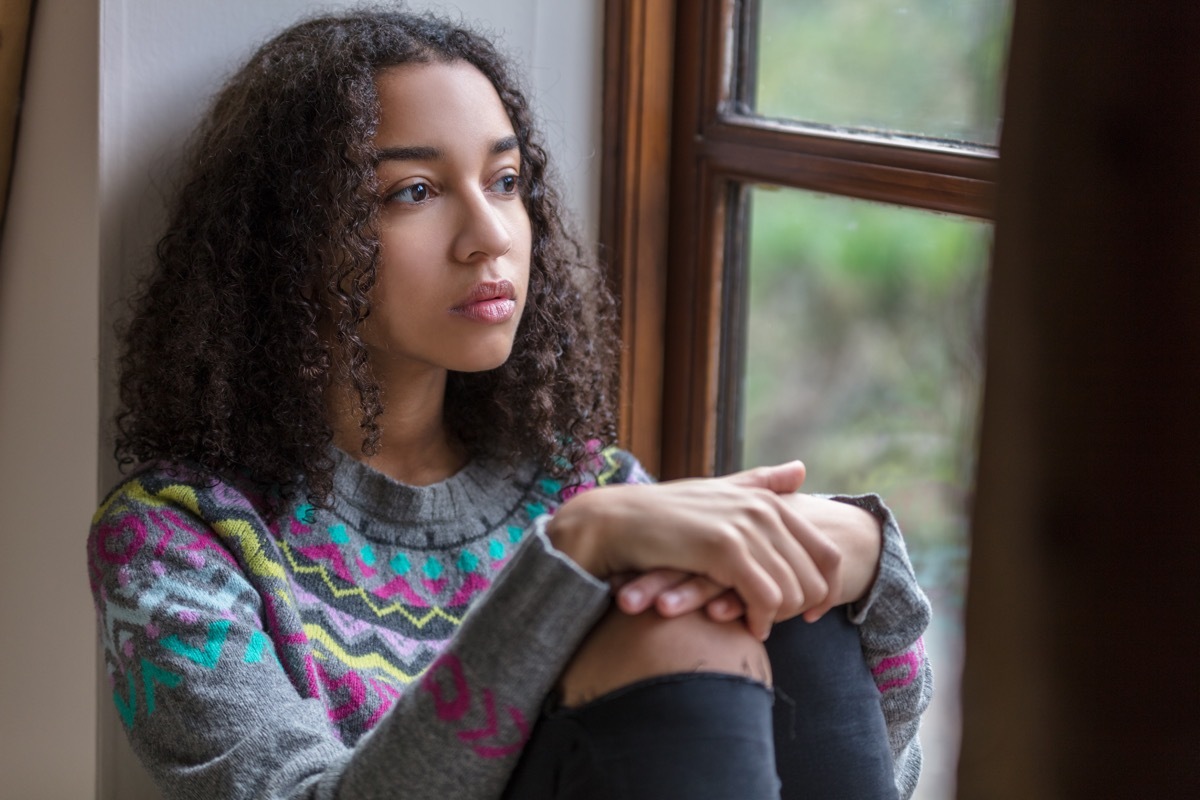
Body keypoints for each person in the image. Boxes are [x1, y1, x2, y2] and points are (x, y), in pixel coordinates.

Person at [87, 9, 932, 800]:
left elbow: (840, 768)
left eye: (504, 180)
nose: (490, 234)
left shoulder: (583, 483)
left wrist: (863, 567)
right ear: (288, 239)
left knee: (763, 589)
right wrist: (569, 553)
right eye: (413, 192)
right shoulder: (175, 539)